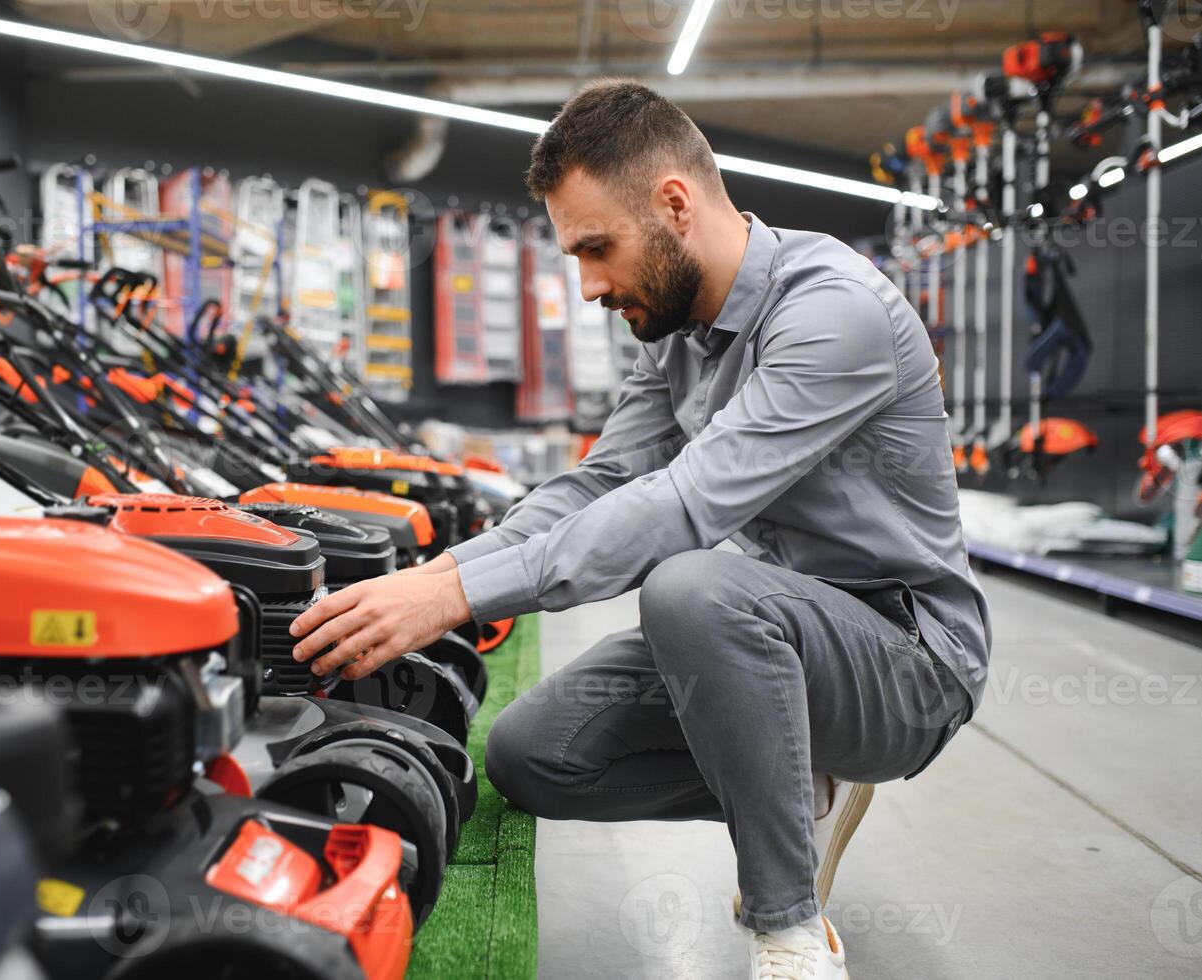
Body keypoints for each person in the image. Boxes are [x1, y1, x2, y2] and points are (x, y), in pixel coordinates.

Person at [290, 79, 990, 979]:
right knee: (530, 755)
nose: (586, 286)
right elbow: (602, 481)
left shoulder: (831, 311)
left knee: (690, 585)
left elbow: (684, 506)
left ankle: (789, 930)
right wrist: (433, 576)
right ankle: (792, 778)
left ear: (672, 204)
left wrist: (456, 597)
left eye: (595, 248)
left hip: (908, 660)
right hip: (784, 632)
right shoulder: (676, 334)